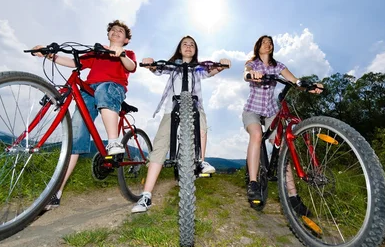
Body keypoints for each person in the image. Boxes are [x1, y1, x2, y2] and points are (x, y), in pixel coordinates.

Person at [31, 20, 136, 209]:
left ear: (126, 39)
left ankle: (113, 141)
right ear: (108, 34)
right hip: (89, 90)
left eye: (121, 31)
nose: (116, 32)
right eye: (113, 30)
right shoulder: (97, 51)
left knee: (104, 89)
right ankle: (57, 192)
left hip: (113, 88)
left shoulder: (127, 53)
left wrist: (120, 55)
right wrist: (49, 55)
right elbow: (74, 62)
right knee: (77, 134)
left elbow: (131, 66)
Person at [131, 35, 231, 213]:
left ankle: (200, 161)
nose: (188, 46)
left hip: (194, 107)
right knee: (160, 146)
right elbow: (158, 68)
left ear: (195, 50)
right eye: (185, 44)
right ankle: (146, 195)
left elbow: (211, 71)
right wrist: (150, 63)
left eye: (192, 44)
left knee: (201, 120)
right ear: (179, 49)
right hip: (171, 109)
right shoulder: (173, 66)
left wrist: (222, 65)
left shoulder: (198, 68)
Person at [242, 35, 323, 215]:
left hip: (271, 111)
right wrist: (251, 74)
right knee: (256, 135)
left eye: (270, 43)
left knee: (284, 147)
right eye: (264, 42)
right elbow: (246, 73)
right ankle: (253, 183)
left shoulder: (278, 66)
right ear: (257, 47)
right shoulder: (253, 63)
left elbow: (295, 81)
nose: (268, 45)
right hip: (252, 110)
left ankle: (294, 198)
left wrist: (310, 86)